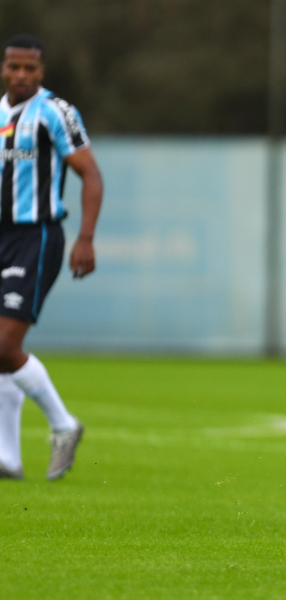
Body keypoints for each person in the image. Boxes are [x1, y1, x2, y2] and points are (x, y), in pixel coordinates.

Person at [0, 34, 103, 481]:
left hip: (37, 236)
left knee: (4, 345)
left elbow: (90, 174)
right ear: (4, 68)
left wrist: (85, 237)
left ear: (41, 72)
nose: (21, 75)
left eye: (30, 68)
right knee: (1, 352)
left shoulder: (55, 112)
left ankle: (64, 425)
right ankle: (8, 457)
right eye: (13, 67)